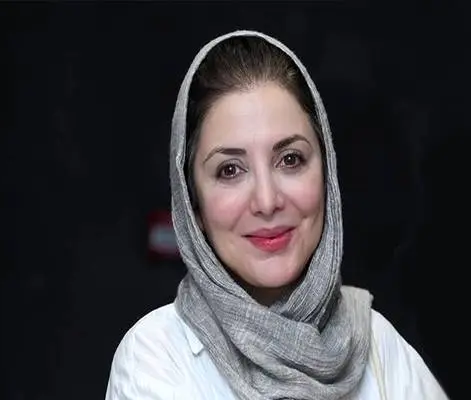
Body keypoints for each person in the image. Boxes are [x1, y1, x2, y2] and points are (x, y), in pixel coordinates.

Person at [105, 30, 448, 400]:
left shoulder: (381, 349)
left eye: (290, 159)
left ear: (326, 175)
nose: (267, 201)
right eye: (230, 170)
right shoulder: (155, 357)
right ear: (193, 205)